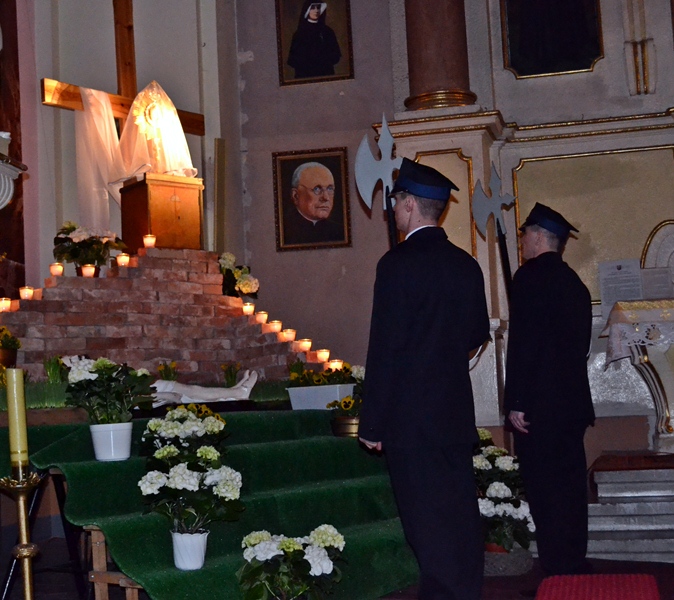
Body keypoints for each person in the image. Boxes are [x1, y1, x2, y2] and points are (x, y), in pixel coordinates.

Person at [358, 158, 490, 600]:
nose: (394, 209)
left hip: (410, 422)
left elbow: (385, 349)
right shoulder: (466, 265)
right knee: (458, 516)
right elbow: (475, 334)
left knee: (426, 524)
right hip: (453, 414)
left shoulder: (396, 265)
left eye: (397, 200)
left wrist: (372, 422)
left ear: (410, 204)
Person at [504, 202, 595, 576]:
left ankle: (557, 567)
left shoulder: (528, 279)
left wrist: (517, 400)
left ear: (540, 236)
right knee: (571, 487)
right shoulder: (576, 284)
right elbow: (581, 348)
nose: (523, 240)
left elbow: (524, 345)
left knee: (544, 489)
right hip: (571, 405)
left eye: (526, 233)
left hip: (538, 407)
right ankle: (574, 560)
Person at [283, 162, 343, 245]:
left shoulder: (340, 232)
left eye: (330, 189)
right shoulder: (283, 231)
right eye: (317, 189)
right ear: (296, 196)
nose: (326, 197)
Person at [287, 1, 341, 79]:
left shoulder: (327, 32)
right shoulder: (299, 34)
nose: (316, 10)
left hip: (325, 74)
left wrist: (324, 61)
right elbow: (294, 59)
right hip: (305, 76)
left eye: (318, 7)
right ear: (307, 10)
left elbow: (336, 55)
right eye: (313, 8)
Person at [151, 370, 258, 407]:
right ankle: (239, 392)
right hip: (150, 397)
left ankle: (234, 391)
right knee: (194, 394)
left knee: (194, 390)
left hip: (152, 389)